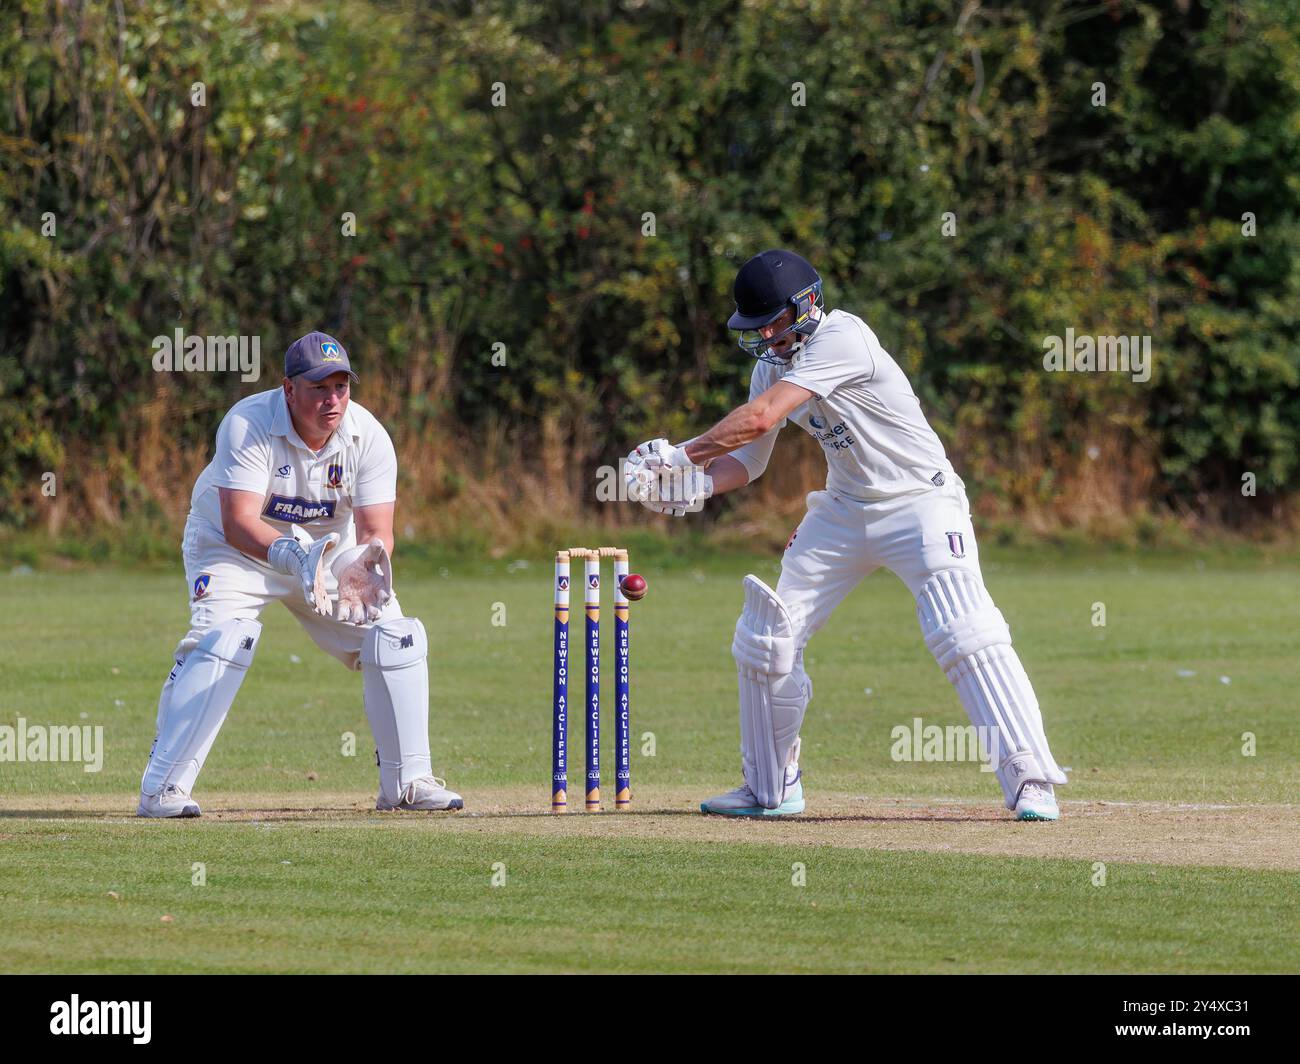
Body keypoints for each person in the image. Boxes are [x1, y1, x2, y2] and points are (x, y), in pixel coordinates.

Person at [625, 250, 1066, 821]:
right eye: (755, 328)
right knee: (767, 636)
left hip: (922, 503)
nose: (765, 337)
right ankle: (771, 788)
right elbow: (750, 461)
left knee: (965, 630)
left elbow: (759, 419)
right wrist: (689, 487)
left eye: (773, 323)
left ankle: (1031, 776)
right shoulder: (771, 367)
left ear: (805, 307)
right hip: (843, 510)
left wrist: (676, 454)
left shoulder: (845, 337)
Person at [137, 331, 463, 817]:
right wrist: (291, 555)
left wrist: (363, 563)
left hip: (331, 555)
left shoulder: (367, 436)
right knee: (222, 641)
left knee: (397, 636)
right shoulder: (247, 423)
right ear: (288, 389)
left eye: (340, 387)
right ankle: (163, 788)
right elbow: (238, 521)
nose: (332, 400)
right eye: (318, 388)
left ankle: (407, 782)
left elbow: (378, 531)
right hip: (235, 551)